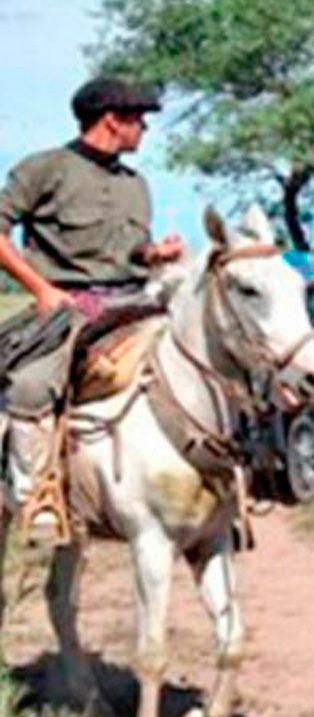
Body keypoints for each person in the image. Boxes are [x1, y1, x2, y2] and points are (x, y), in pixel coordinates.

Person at [0, 77, 184, 546]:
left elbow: (129, 251)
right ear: (111, 120)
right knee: (30, 385)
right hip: (68, 305)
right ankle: (36, 495)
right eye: (138, 119)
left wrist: (155, 254)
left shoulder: (135, 184)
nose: (143, 128)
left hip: (133, 303)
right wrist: (39, 289)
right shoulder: (43, 169)